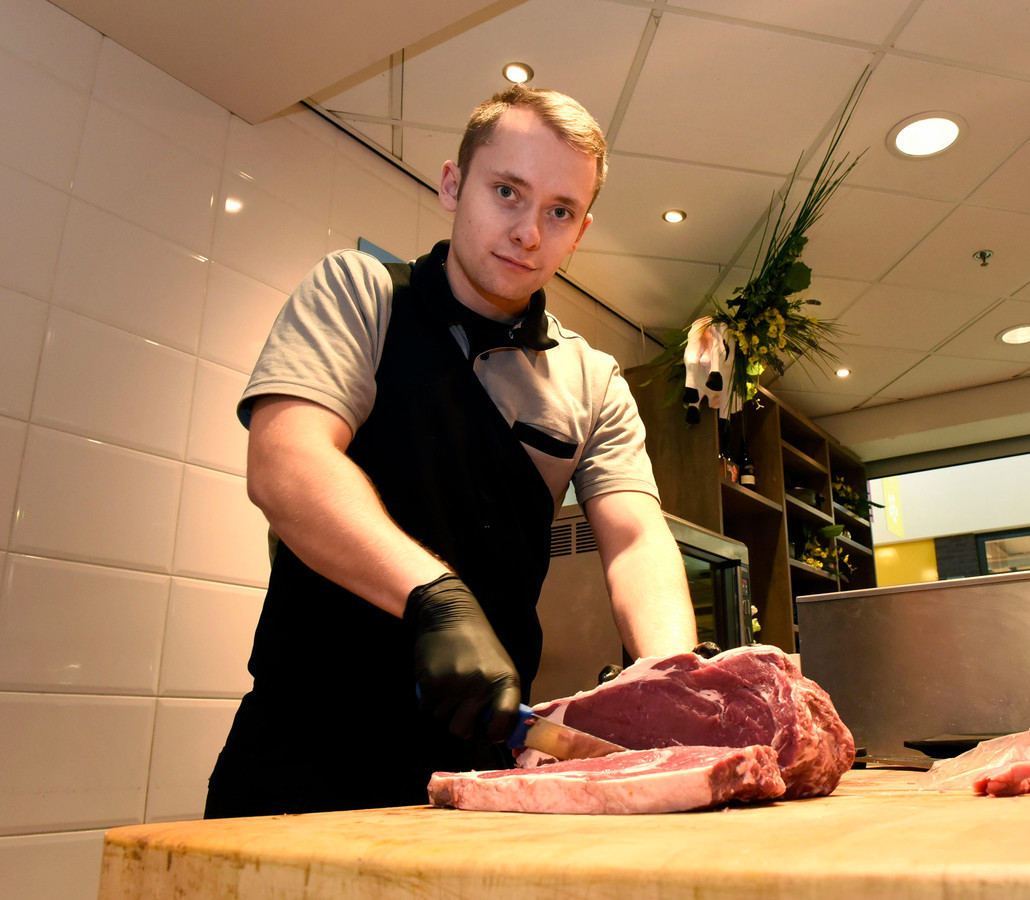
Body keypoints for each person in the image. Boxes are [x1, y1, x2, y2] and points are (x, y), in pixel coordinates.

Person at [203, 85, 698, 818]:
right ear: (453, 184)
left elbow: (633, 538)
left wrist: (671, 685)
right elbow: (287, 462)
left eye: (558, 212)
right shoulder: (360, 293)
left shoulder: (592, 380)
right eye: (507, 192)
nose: (529, 231)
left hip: (477, 769)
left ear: (580, 231)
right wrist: (435, 600)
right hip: (304, 754)